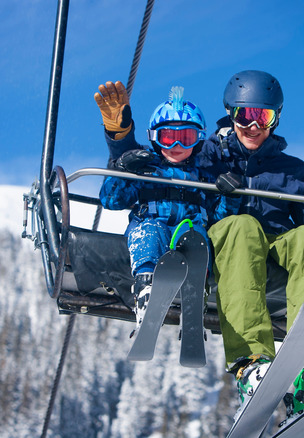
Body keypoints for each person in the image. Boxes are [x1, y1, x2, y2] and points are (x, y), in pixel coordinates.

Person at [196, 70, 304, 420]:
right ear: (230, 113)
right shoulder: (206, 156)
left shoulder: (295, 172)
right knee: (241, 227)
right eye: (245, 115)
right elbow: (169, 162)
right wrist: (120, 138)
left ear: (275, 119)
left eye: (263, 117)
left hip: (277, 242)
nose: (253, 126)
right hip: (225, 243)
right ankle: (252, 363)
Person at [95, 83, 235, 335]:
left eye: (186, 138)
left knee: (197, 239)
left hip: (190, 231)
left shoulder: (203, 176)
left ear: (199, 139)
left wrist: (227, 192)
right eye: (168, 137)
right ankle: (146, 289)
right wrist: (123, 169)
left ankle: (194, 301)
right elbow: (111, 199)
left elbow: (220, 214)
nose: (176, 146)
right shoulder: (147, 169)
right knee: (149, 231)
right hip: (152, 224)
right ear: (155, 138)